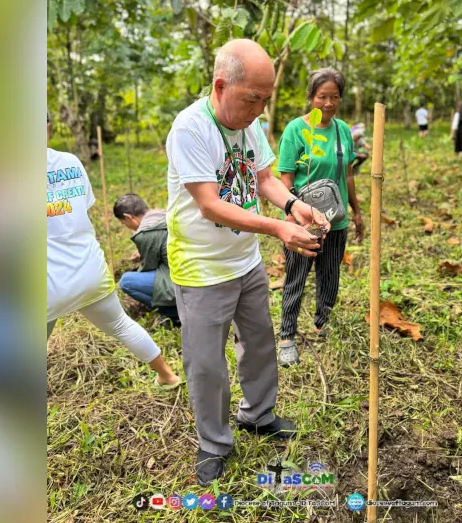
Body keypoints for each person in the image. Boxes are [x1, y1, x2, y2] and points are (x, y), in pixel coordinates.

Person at [165, 39, 330, 485]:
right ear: (221, 86)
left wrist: (293, 206)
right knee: (206, 364)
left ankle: (258, 415)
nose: (259, 110)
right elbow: (211, 205)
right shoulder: (190, 129)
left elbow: (264, 179)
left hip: (245, 262)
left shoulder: (250, 126)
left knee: (259, 344)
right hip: (201, 267)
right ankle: (214, 443)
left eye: (265, 100)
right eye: (252, 98)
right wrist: (278, 229)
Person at [47, 113, 182, 390]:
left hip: (48, 281)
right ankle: (168, 376)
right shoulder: (70, 162)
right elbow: (81, 209)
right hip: (89, 270)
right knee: (121, 325)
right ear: (47, 128)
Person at [275, 68, 365, 367]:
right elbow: (285, 178)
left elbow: (347, 174)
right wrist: (289, 215)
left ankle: (320, 324)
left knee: (330, 276)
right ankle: (287, 335)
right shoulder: (295, 130)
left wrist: (356, 210)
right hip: (306, 221)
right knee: (296, 277)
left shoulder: (342, 130)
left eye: (334, 97)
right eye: (322, 97)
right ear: (311, 97)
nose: (328, 103)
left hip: (336, 219)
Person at [113, 193, 180, 327]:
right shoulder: (162, 214)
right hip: (193, 271)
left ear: (128, 217)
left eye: (123, 223)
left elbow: (149, 267)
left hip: (178, 282)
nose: (126, 226)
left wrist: (141, 260)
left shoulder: (146, 232)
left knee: (127, 281)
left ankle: (173, 313)